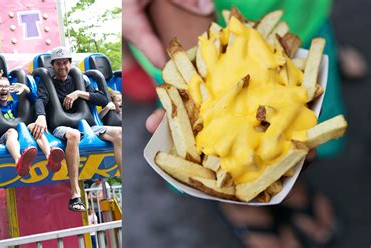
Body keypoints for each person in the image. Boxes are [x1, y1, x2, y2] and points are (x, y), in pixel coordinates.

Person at [126, 1, 343, 247]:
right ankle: (242, 207)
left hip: (295, 15)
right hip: (177, 21)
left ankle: (288, 189)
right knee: (211, 147)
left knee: (302, 128)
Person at [31, 46, 122, 212]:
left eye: (65, 63)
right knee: (73, 135)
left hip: (88, 126)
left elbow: (102, 98)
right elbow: (40, 100)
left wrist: (79, 93)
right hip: (61, 128)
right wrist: (41, 116)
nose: (62, 67)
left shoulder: (80, 80)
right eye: (58, 63)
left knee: (120, 133)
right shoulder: (47, 82)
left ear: (70, 63)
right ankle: (75, 194)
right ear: (53, 65)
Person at [0, 66, 65, 176]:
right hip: (3, 137)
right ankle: (19, 161)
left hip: (22, 133)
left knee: (34, 126)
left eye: (6, 86)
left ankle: (50, 157)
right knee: (12, 132)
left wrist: (27, 89)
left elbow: (36, 101)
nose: (4, 89)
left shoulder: (14, 105)